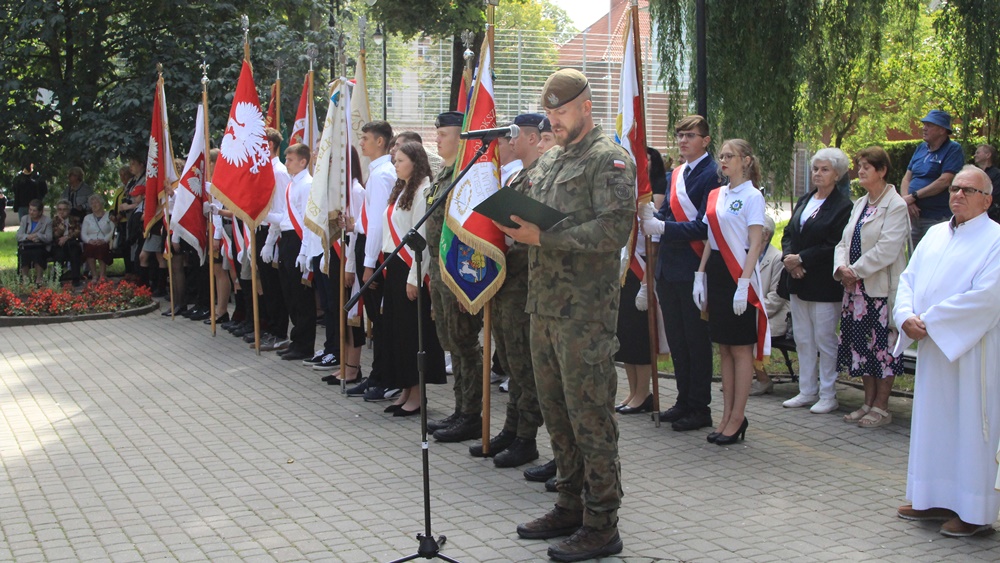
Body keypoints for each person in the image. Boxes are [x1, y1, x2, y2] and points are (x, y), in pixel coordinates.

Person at [498, 68, 633, 562]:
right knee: (557, 414)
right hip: (543, 307)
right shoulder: (551, 160)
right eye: (548, 111)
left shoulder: (610, 159)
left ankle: (602, 523)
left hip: (585, 315)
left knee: (590, 418)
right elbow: (536, 214)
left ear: (585, 108)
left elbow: (614, 230)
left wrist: (545, 238)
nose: (552, 120)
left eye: (560, 111)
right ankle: (569, 505)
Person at [892, 165, 1000, 537]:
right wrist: (905, 315)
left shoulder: (995, 239)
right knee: (935, 423)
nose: (957, 194)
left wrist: (931, 321)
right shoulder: (936, 233)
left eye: (968, 190)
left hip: (972, 351)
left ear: (987, 200)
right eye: (954, 188)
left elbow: (987, 297)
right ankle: (932, 497)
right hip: (934, 349)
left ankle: (973, 512)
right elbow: (908, 279)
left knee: (970, 427)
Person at [470, 113, 545, 468]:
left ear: (533, 138)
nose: (508, 142)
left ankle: (526, 436)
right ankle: (512, 427)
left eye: (514, 136)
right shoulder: (516, 175)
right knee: (512, 362)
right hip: (508, 279)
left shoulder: (542, 176)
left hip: (527, 281)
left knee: (523, 363)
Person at [639, 115, 722, 432]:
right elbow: (666, 215)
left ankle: (700, 406)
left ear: (706, 140)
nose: (684, 140)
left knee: (696, 340)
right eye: (680, 135)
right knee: (677, 339)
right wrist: (651, 218)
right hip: (668, 268)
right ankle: (683, 400)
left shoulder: (712, 174)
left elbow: (704, 225)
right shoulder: (674, 175)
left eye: (690, 135)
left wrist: (663, 226)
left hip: (693, 266)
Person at [694, 139, 768, 445]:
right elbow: (711, 239)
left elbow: (756, 242)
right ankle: (725, 415)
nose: (723, 161)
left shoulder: (753, 197)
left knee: (740, 349)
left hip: (740, 276)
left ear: (746, 161)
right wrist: (700, 274)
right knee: (723, 347)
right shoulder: (716, 195)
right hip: (718, 275)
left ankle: (738, 418)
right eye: (721, 156)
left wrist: (744, 283)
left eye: (730, 156)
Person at [834, 146, 909, 428]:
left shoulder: (896, 205)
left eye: (867, 166)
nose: (861, 170)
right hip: (855, 291)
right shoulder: (860, 203)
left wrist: (855, 270)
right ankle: (867, 401)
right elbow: (844, 241)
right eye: (860, 165)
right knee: (861, 347)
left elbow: (887, 249)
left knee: (883, 349)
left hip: (878, 290)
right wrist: (841, 268)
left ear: (882, 170)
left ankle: (882, 406)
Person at [424, 111, 486, 443]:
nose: (438, 138)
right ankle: (461, 409)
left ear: (462, 138)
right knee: (453, 344)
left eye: (444, 133)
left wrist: (468, 284)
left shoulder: (468, 177)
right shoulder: (445, 174)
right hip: (439, 271)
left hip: (459, 273)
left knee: (465, 344)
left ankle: (471, 415)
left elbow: (472, 234)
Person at [780, 148, 852, 414]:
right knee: (803, 338)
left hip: (823, 281)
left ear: (837, 174)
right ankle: (806, 390)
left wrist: (802, 259)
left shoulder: (843, 206)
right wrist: (789, 257)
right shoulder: (805, 199)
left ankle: (828, 393)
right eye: (815, 169)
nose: (818, 174)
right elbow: (789, 232)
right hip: (797, 279)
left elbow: (834, 243)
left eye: (824, 170)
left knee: (824, 338)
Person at [379, 141, 448, 416]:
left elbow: (421, 238)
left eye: (400, 160)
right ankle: (406, 389)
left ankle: (418, 396)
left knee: (412, 335)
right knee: (398, 332)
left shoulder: (423, 190)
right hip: (395, 267)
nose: (395, 164)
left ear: (415, 161)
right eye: (394, 160)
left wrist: (414, 277)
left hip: (412, 268)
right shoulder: (402, 189)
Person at [346, 120, 399, 401]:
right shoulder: (378, 171)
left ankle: (385, 377)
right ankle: (378, 374)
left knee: (379, 320)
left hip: (375, 251)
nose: (362, 142)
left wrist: (368, 264)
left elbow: (378, 223)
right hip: (370, 246)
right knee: (376, 320)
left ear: (381, 141)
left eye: (366, 138)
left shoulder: (381, 175)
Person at [270, 143, 317, 362]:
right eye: (286, 159)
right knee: (289, 293)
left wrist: (304, 251)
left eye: (290, 159)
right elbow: (285, 217)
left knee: (301, 296)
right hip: (287, 239)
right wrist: (263, 216)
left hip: (299, 241)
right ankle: (296, 339)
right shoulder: (291, 184)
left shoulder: (307, 184)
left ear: (303, 161)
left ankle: (305, 344)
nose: (286, 163)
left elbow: (306, 221)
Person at [900, 109, 964, 246]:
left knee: (934, 256)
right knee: (913, 258)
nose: (924, 128)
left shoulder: (953, 149)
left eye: (929, 125)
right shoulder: (921, 148)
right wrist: (907, 201)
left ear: (942, 130)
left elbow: (944, 181)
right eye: (924, 124)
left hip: (936, 218)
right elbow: (906, 178)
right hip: (913, 216)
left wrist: (914, 196)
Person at [750, 216, 789, 396]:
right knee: (734, 331)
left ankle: (763, 380)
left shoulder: (777, 258)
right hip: (755, 312)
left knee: (745, 334)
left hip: (773, 315)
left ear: (765, 235)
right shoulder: (748, 254)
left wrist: (752, 309)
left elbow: (776, 298)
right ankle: (743, 379)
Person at [16, 199, 52, 284]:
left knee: (37, 253)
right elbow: (18, 235)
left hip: (40, 246)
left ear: (40, 212)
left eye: (34, 210)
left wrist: (37, 235)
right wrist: (28, 237)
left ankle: (39, 279)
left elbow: (49, 237)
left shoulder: (47, 221)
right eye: (30, 210)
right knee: (23, 253)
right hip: (27, 245)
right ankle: (25, 279)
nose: (31, 212)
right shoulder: (25, 219)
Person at [81, 194, 114, 281]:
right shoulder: (87, 218)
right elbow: (83, 233)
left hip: (104, 241)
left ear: (102, 204)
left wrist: (104, 240)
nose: (94, 205)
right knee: (89, 248)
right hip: (91, 241)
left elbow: (112, 231)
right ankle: (94, 275)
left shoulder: (108, 215)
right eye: (92, 203)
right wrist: (89, 240)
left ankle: (102, 275)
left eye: (96, 202)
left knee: (101, 248)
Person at [50, 199, 83, 286]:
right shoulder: (53, 221)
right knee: (59, 255)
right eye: (59, 209)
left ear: (68, 210)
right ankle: (57, 279)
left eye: (64, 209)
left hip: (71, 243)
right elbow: (54, 235)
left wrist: (67, 237)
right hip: (58, 244)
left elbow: (77, 232)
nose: (62, 212)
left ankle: (76, 279)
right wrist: (62, 226)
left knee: (75, 253)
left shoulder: (74, 219)